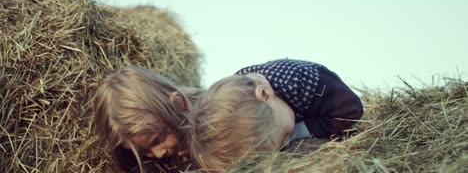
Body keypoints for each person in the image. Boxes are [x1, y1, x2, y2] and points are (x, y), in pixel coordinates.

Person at [187, 59, 364, 170]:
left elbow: (353, 110)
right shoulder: (239, 100)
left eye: (285, 136)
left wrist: (299, 132)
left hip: (318, 103)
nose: (286, 143)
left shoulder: (304, 82)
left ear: (265, 94)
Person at [92, 66, 203, 172]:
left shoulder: (213, 117)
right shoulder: (153, 162)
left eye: (157, 140)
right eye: (144, 151)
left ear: (178, 103)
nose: (158, 154)